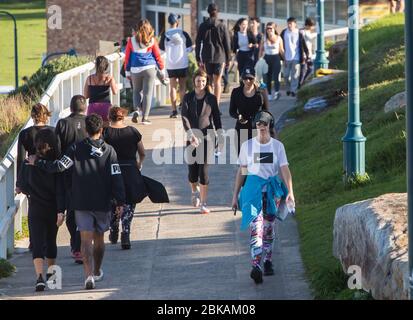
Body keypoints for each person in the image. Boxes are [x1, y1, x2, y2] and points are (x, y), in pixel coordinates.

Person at [30, 114, 126, 290]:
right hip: (102, 201)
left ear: (86, 131)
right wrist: (120, 201)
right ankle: (97, 271)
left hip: (81, 201)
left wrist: (39, 162)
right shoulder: (110, 151)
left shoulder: (75, 149)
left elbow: (59, 166)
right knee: (99, 240)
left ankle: (88, 275)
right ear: (101, 130)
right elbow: (116, 176)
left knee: (85, 240)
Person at [231, 110, 295, 284]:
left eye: (265, 124)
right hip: (252, 192)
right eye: (258, 124)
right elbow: (242, 171)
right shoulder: (247, 146)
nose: (261, 127)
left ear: (269, 125)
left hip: (271, 192)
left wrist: (290, 191)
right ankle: (256, 266)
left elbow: (284, 170)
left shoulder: (277, 147)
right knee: (256, 228)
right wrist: (235, 195)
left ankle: (267, 261)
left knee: (268, 228)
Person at [16, 128, 65, 292]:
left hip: (35, 207)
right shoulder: (56, 166)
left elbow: (22, 187)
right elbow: (60, 189)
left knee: (37, 242)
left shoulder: (28, 163)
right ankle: (52, 277)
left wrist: (30, 190)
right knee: (51, 241)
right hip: (53, 208)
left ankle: (39, 277)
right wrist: (61, 210)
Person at [103, 106, 146, 249]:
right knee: (129, 201)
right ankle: (126, 232)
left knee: (112, 200)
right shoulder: (133, 132)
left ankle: (114, 225)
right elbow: (142, 152)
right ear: (123, 117)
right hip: (130, 170)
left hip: (112, 171)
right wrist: (139, 164)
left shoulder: (106, 132)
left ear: (109, 117)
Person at [181, 69, 223, 214]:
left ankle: (204, 203)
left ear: (206, 83)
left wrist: (220, 135)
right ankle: (194, 191)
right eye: (198, 81)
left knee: (203, 172)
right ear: (194, 81)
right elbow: (184, 118)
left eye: (203, 81)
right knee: (192, 173)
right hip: (192, 138)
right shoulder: (187, 97)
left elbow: (217, 118)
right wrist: (190, 134)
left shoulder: (211, 99)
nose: (201, 83)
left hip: (208, 139)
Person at [54, 95, 88, 264]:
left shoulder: (62, 124)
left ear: (71, 107)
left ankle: (77, 246)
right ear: (85, 106)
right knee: (80, 211)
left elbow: (57, 149)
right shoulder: (90, 122)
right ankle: (78, 244)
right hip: (88, 172)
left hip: (68, 173)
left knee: (71, 213)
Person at [124, 19, 165, 125]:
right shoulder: (152, 40)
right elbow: (157, 56)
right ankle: (145, 118)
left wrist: (127, 71)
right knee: (147, 93)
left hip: (135, 69)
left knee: (136, 91)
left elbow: (127, 58)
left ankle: (137, 110)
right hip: (149, 69)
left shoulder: (131, 40)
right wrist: (161, 69)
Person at [195, 3, 231, 107]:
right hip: (220, 56)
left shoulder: (203, 25)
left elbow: (198, 42)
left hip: (207, 57)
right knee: (218, 81)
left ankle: (210, 104)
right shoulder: (222, 26)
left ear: (208, 12)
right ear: (217, 12)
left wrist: (198, 57)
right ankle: (216, 105)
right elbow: (227, 44)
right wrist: (228, 59)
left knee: (209, 81)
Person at [159, 13, 193, 119]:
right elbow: (190, 48)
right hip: (182, 63)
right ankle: (183, 109)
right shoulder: (183, 33)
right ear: (177, 22)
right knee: (182, 86)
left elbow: (161, 50)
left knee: (172, 87)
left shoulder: (165, 35)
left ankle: (174, 111)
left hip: (170, 65)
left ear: (169, 22)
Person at [229, 68, 269, 155]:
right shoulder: (236, 92)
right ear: (241, 78)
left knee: (256, 161)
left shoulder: (261, 92)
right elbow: (231, 111)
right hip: (241, 129)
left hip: (257, 129)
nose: (247, 81)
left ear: (255, 78)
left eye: (250, 78)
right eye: (245, 78)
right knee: (243, 161)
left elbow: (266, 111)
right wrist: (238, 116)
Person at [17, 103, 52, 180]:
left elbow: (21, 159)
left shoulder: (25, 133)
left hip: (32, 176)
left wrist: (19, 182)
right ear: (46, 115)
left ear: (32, 116)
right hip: (51, 173)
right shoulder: (54, 131)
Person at [84, 56, 117, 124]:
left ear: (96, 66)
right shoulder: (109, 78)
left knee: (92, 129)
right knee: (106, 130)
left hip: (92, 107)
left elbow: (86, 96)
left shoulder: (89, 78)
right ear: (106, 66)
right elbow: (115, 92)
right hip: (106, 107)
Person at [280, 17, 309, 97]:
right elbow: (280, 44)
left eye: (291, 24)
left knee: (295, 76)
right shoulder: (284, 32)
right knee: (285, 75)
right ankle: (288, 89)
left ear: (295, 24)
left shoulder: (299, 33)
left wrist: (307, 54)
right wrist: (281, 56)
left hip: (296, 57)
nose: (289, 25)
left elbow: (303, 44)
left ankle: (293, 90)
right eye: (288, 23)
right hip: (286, 57)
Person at [259, 22, 284, 101]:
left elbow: (281, 50)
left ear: (274, 29)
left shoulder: (278, 38)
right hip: (267, 58)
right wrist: (259, 60)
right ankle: (269, 94)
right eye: (267, 28)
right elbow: (261, 50)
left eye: (271, 28)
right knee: (267, 77)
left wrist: (285, 60)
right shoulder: (264, 38)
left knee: (276, 76)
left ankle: (276, 92)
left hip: (276, 57)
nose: (269, 30)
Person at [299, 18, 316, 87]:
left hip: (309, 54)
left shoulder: (308, 31)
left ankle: (303, 82)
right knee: (303, 70)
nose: (313, 27)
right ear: (308, 25)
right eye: (312, 26)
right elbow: (308, 39)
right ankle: (300, 85)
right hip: (303, 54)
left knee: (310, 69)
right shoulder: (302, 31)